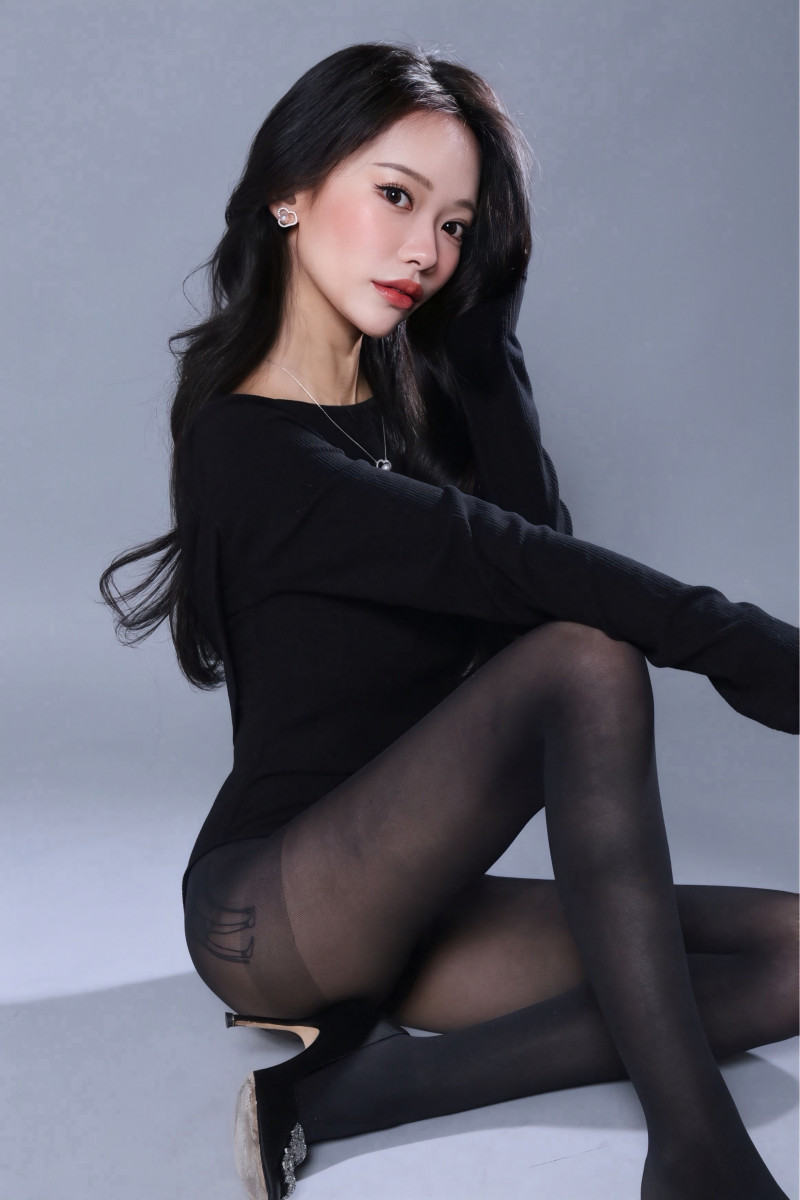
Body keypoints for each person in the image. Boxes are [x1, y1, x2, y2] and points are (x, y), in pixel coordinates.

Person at [99, 40, 799, 1200]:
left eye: (456, 225)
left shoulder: (406, 410)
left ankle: (347, 1092)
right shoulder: (246, 446)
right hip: (273, 913)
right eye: (395, 196)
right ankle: (695, 1155)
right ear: (289, 191)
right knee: (582, 662)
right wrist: (743, 647)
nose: (426, 250)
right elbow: (520, 574)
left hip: (415, 897)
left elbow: (531, 566)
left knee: (789, 952)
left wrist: (485, 347)